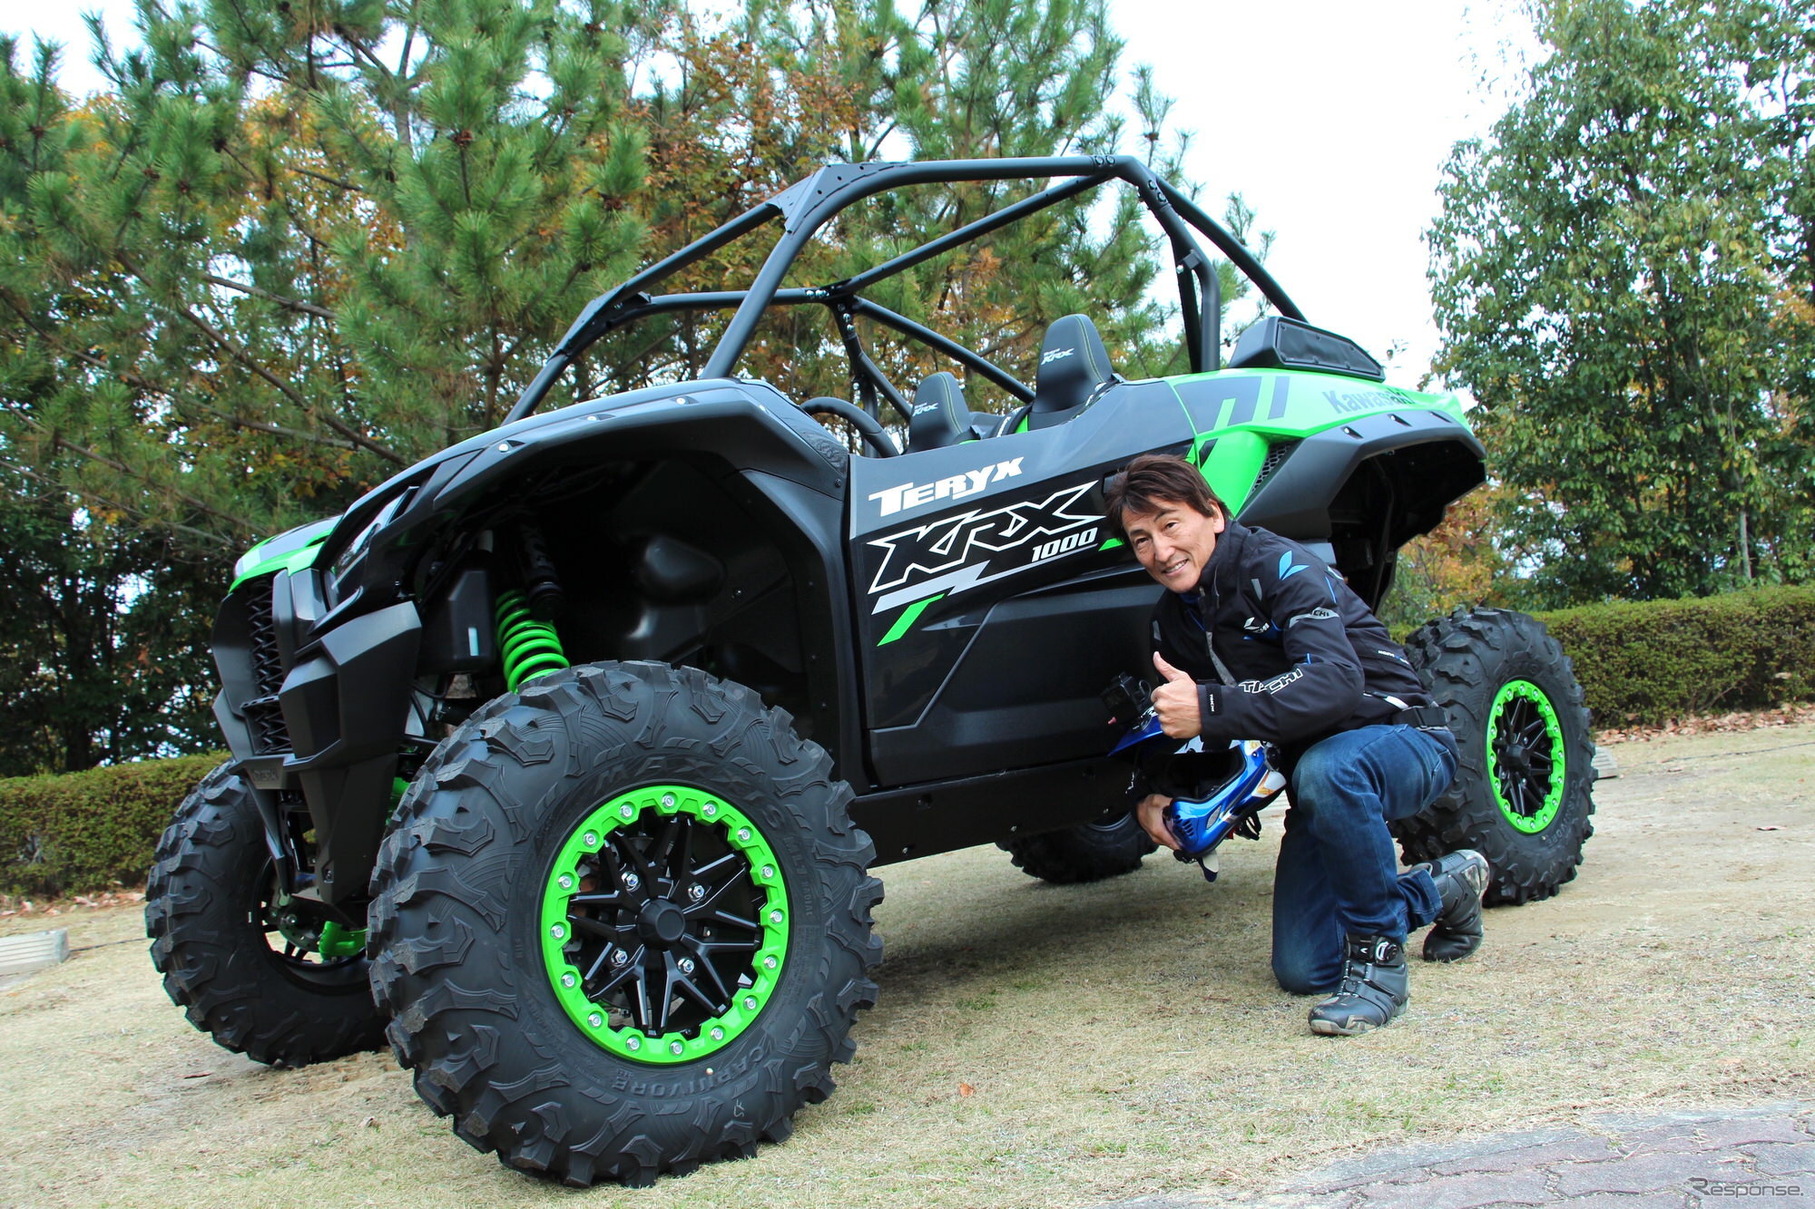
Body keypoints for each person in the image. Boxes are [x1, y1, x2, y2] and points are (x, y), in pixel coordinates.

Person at [1104, 452, 1488, 1035]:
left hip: (1404, 740)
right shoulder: (1170, 624)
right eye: (1140, 539)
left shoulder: (1279, 565)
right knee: (1306, 966)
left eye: (1169, 524)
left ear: (1213, 514)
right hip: (1319, 779)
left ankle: (1382, 969)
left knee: (1330, 769)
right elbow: (1194, 736)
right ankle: (1442, 887)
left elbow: (1335, 681)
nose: (1159, 551)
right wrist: (1155, 791)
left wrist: (1210, 705)